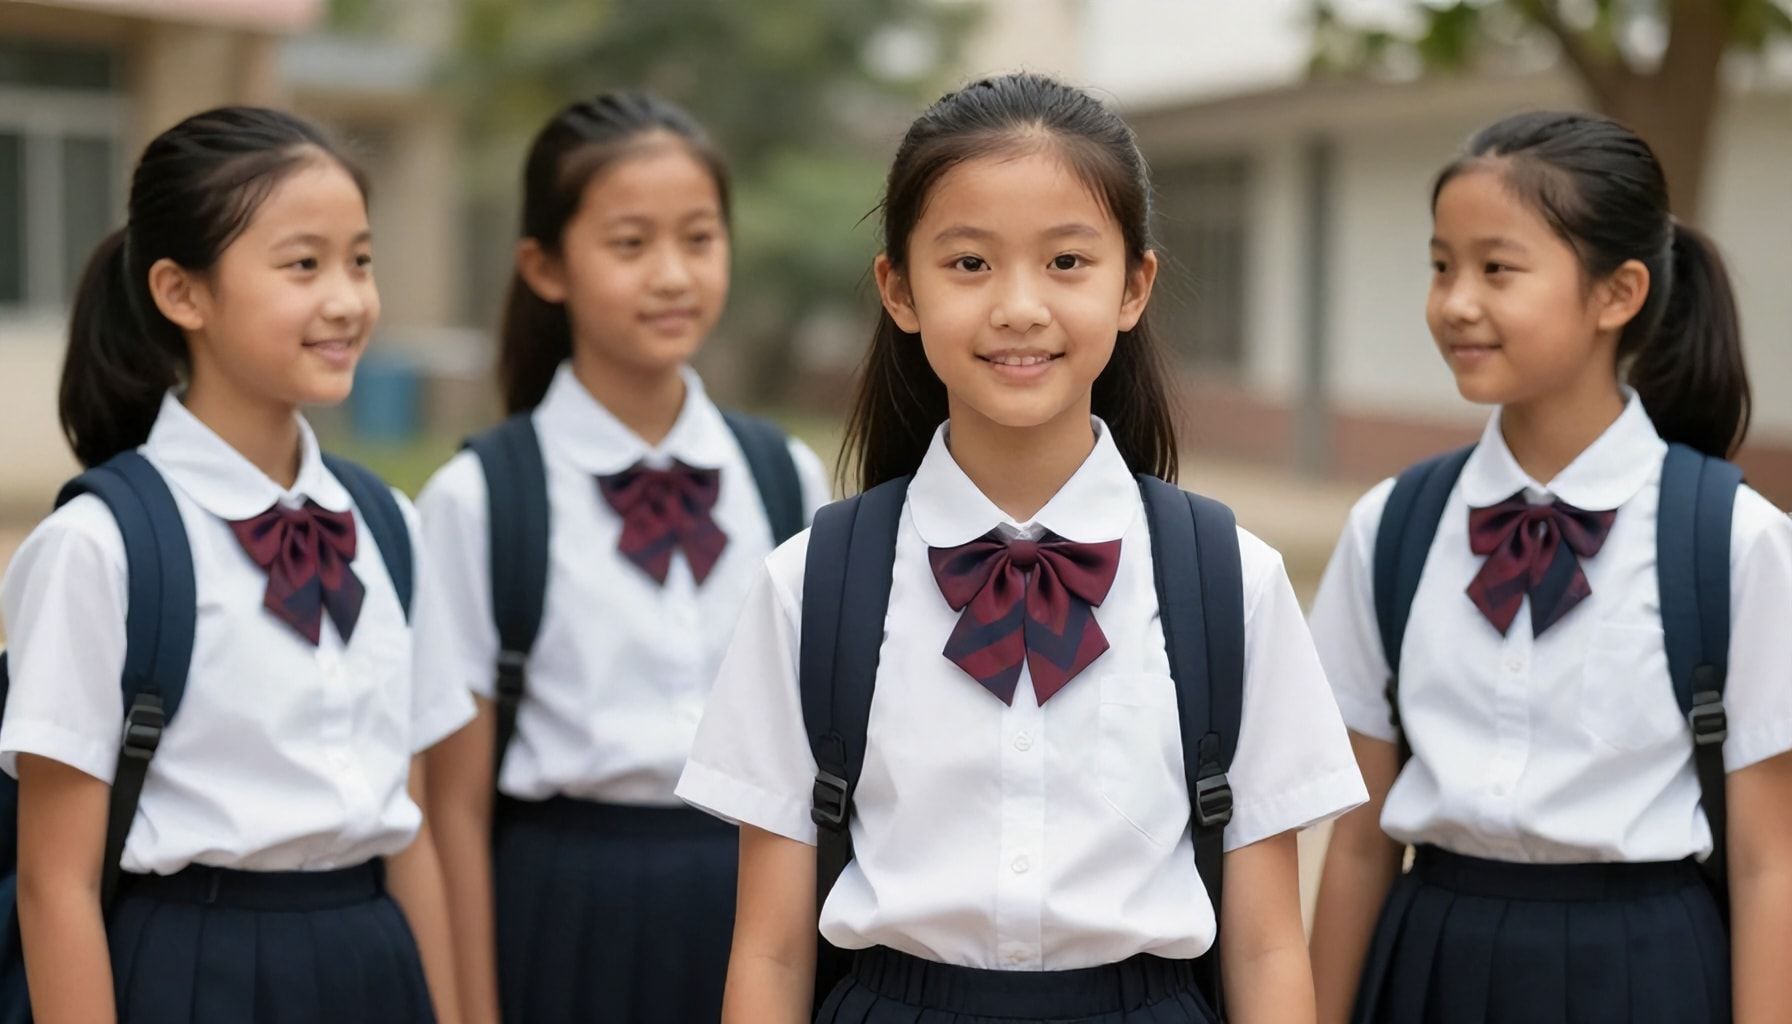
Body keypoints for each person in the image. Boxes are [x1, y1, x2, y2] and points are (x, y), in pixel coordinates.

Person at [676, 72, 1368, 1024]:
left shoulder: (1229, 581)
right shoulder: (812, 585)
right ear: (898, 288)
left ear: (1135, 286)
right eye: (968, 264)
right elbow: (770, 945)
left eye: (1067, 263)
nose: (1018, 306)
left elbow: (1264, 940)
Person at [1307, 110, 1792, 1024]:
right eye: (1441, 265)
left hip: (1648, 971)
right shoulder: (1394, 526)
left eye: (1497, 268)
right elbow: (1361, 842)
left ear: (1617, 294)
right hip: (1429, 963)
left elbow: (1773, 861)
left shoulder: (1736, 540)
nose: (1455, 302)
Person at [0, 106, 470, 1024]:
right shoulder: (99, 545)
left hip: (376, 963)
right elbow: (53, 885)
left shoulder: (391, 525)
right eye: (304, 265)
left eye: (361, 261)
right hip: (190, 969)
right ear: (182, 293)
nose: (346, 299)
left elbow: (408, 828)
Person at [416, 91, 831, 1024]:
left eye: (699, 238)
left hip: (757, 903)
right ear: (545, 266)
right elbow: (454, 810)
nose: (673, 275)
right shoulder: (482, 498)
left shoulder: (783, 477)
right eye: (631, 243)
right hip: (561, 910)